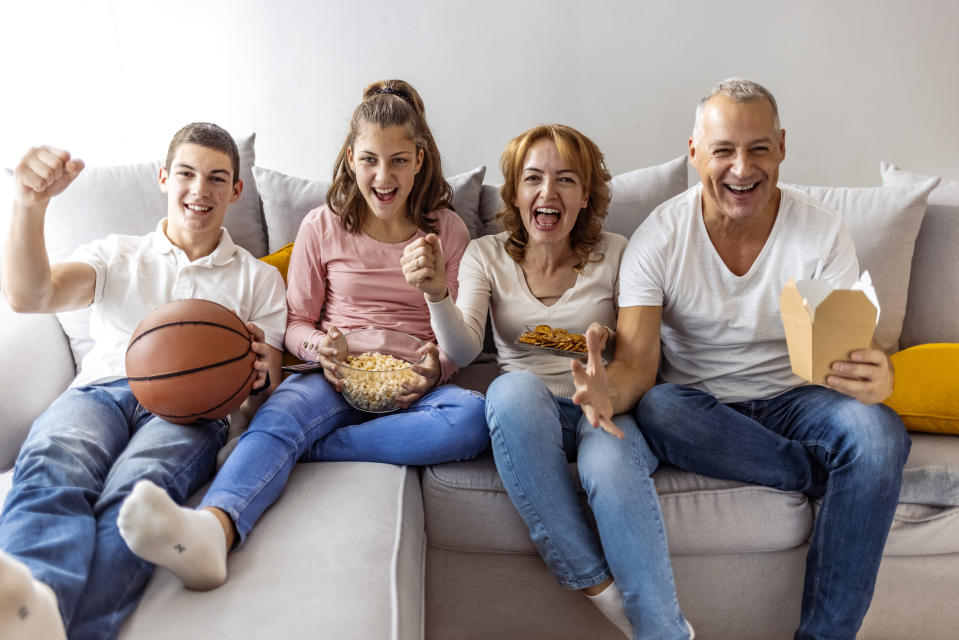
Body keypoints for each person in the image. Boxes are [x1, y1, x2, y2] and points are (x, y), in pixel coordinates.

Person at [116, 79, 489, 591]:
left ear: (419, 159)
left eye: (399, 160)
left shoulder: (448, 230)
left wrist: (438, 370)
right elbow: (295, 325)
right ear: (351, 158)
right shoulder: (323, 225)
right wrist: (322, 350)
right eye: (370, 160)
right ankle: (214, 529)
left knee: (471, 419)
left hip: (413, 386)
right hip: (333, 376)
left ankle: (315, 448)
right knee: (281, 413)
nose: (383, 176)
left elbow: (459, 339)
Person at [572, 78, 910, 640]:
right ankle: (809, 471)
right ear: (694, 152)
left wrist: (879, 374)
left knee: (880, 436)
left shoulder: (821, 231)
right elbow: (637, 366)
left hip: (798, 399)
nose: (741, 168)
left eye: (757, 149)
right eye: (724, 150)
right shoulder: (659, 238)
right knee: (658, 407)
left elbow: (853, 349)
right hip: (699, 410)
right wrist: (607, 389)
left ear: (782, 147)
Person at [402, 124, 693, 639]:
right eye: (533, 178)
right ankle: (601, 592)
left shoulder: (621, 253)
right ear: (515, 193)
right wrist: (435, 295)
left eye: (565, 180)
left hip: (606, 408)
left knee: (608, 462)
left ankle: (666, 634)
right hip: (529, 416)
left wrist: (610, 354)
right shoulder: (486, 256)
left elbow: (639, 353)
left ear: (585, 196)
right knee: (509, 389)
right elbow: (465, 349)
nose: (548, 192)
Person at [0, 123, 288, 640]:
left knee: (137, 491)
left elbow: (265, 383)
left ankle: (71, 628)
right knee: (54, 462)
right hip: (99, 393)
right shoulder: (115, 254)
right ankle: (28, 612)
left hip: (192, 410)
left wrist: (263, 370)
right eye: (186, 173)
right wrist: (28, 205)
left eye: (217, 178)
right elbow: (31, 296)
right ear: (163, 178)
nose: (200, 190)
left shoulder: (258, 279)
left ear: (236, 191)